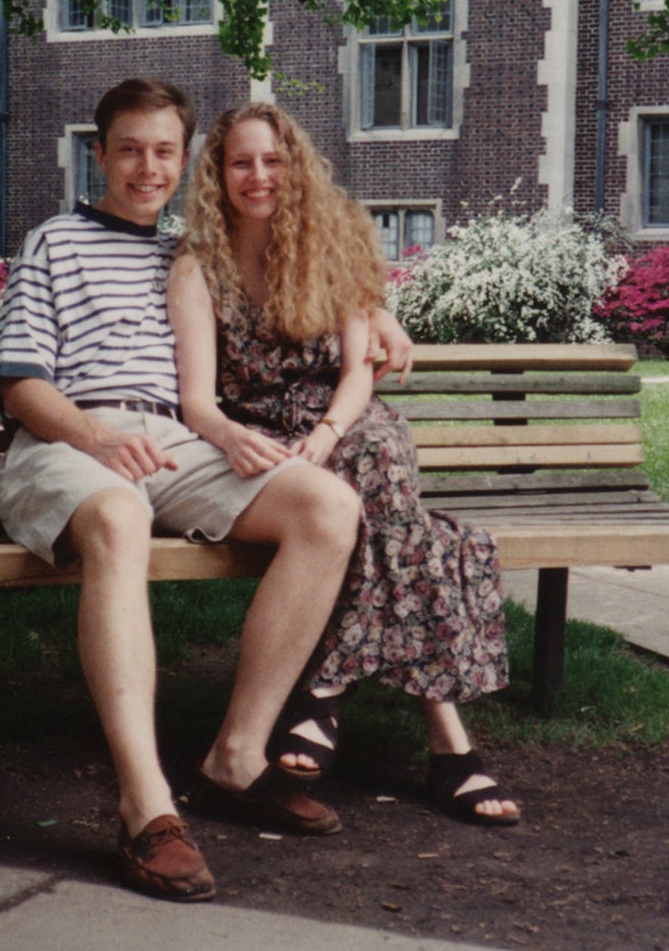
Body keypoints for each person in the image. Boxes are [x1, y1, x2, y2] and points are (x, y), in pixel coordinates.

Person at [0, 79, 375, 903]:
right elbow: (19, 384)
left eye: (165, 150)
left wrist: (381, 317)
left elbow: (316, 280)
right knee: (122, 516)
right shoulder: (52, 241)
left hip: (172, 441)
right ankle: (145, 805)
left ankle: (234, 757)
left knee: (328, 507)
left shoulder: (190, 251)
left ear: (185, 160)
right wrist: (96, 435)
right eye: (128, 148)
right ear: (98, 154)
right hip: (63, 439)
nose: (146, 166)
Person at [167, 101, 520, 826]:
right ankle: (451, 749)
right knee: (416, 537)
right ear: (218, 173)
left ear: (295, 165)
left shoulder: (334, 243)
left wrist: (328, 433)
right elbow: (197, 402)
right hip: (262, 437)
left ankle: (322, 693)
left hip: (339, 422)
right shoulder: (198, 268)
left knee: (382, 458)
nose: (258, 175)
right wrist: (230, 437)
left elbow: (360, 371)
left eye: (273, 160)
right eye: (241, 162)